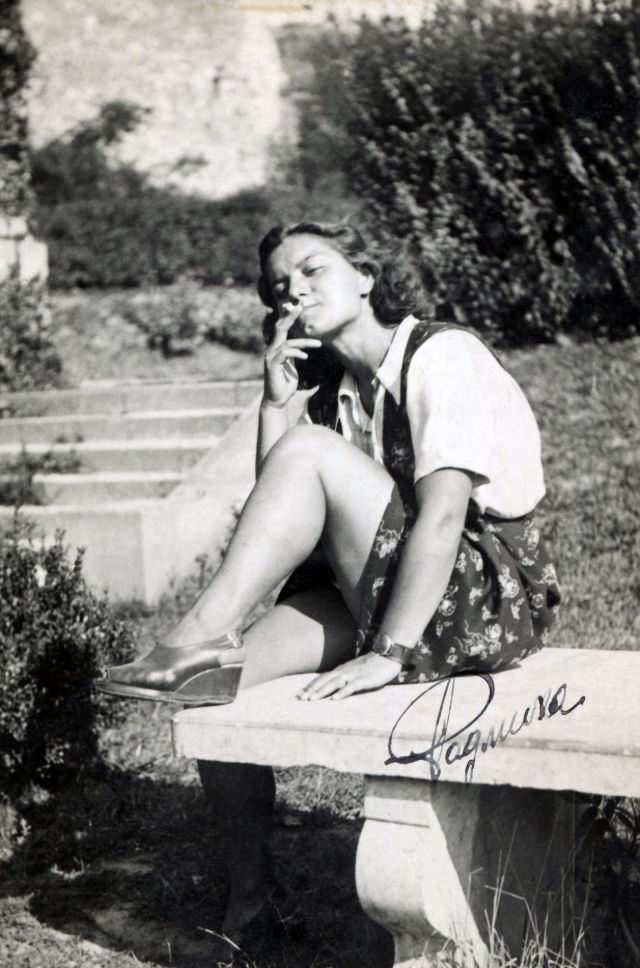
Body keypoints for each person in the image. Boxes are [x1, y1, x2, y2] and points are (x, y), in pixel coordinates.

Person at [96, 219, 560, 956]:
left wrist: (387, 653)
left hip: (482, 594)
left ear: (367, 275)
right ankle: (253, 908)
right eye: (281, 287)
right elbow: (277, 519)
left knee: (306, 461)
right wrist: (276, 403)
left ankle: (187, 639)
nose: (296, 292)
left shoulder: (442, 356)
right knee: (218, 685)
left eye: (313, 270)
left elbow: (442, 517)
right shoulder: (335, 395)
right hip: (388, 588)